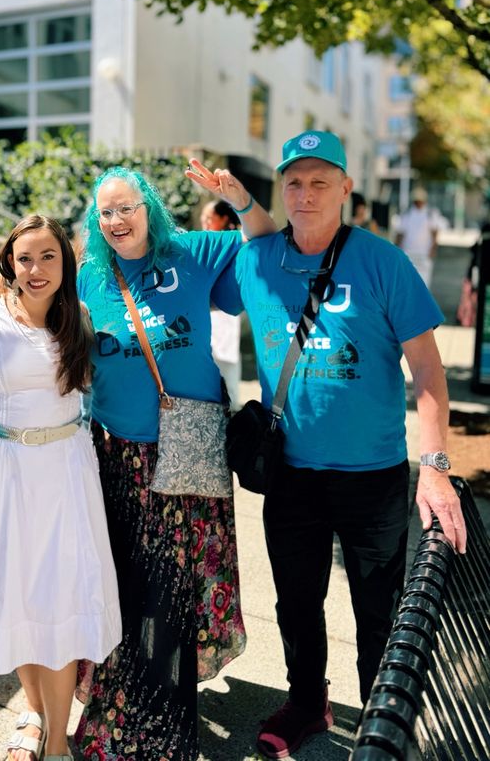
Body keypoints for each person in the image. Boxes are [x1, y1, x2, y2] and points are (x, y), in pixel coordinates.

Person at [213, 130, 467, 759]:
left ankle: (384, 725)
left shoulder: (383, 262)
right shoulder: (258, 259)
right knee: (297, 603)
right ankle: (306, 702)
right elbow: (214, 259)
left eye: (320, 182)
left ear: (346, 188)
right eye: (294, 182)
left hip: (372, 475)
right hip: (291, 473)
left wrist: (434, 467)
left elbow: (428, 371)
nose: (305, 194)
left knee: (379, 610)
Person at [73, 163, 276, 761]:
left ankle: (166, 721)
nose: (117, 220)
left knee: (176, 590)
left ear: (151, 210)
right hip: (120, 458)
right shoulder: (89, 277)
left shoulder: (192, 251)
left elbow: (265, 246)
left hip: (189, 450)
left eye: (127, 208)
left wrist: (240, 199)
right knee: (128, 587)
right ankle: (120, 714)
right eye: (106, 212)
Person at [0, 215, 121, 761]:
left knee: (60, 597)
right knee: (18, 595)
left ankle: (55, 744)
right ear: (9, 262)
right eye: (25, 257)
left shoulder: (80, 317)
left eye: (48, 256)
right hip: (4, 469)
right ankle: (35, 712)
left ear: (65, 262)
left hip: (65, 471)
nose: (36, 269)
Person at [201, 199, 243, 408]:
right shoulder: (204, 243)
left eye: (209, 218)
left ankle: (232, 407)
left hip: (225, 312)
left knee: (226, 361)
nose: (205, 222)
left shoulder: (235, 242)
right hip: (205, 312)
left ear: (223, 219)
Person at [392, 186, 446, 288]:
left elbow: (434, 234)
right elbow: (400, 234)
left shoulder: (430, 214)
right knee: (407, 283)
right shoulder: (407, 214)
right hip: (408, 253)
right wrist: (396, 250)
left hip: (424, 254)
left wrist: (433, 249)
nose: (418, 203)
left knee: (424, 283)